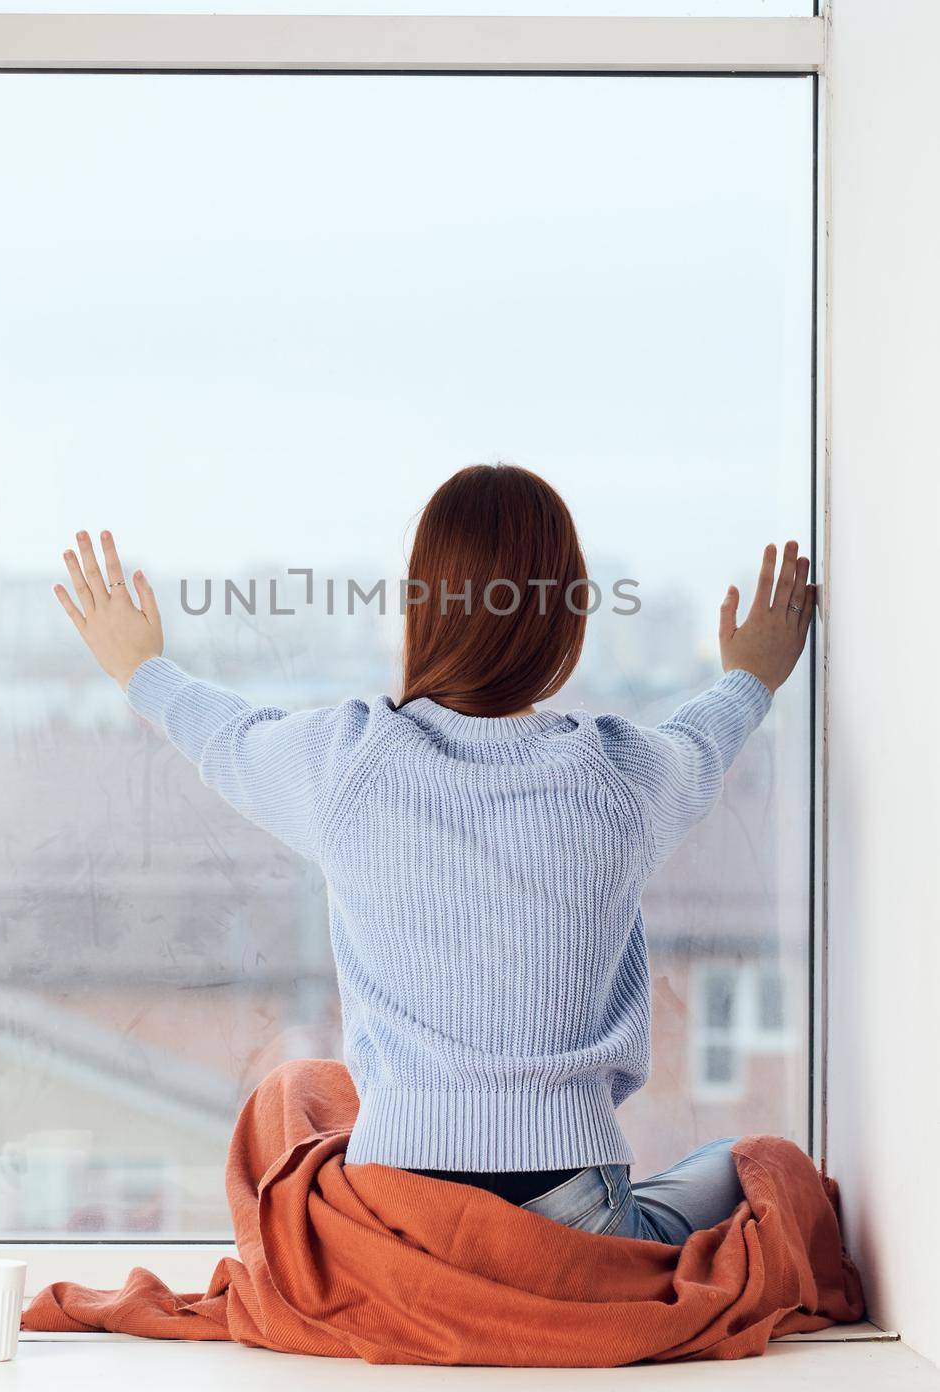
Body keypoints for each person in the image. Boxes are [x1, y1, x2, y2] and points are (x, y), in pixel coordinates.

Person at [53, 463, 815, 1242]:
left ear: (418, 607)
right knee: (744, 1164)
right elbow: (701, 740)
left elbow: (222, 733)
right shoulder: (618, 776)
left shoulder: (344, 763)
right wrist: (752, 677)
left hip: (396, 1209)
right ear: (571, 616)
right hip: (575, 1210)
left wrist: (138, 667)